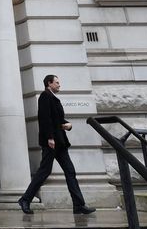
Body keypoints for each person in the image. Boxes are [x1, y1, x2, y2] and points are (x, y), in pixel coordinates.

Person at [18, 74, 96, 216]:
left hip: (60, 142)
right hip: (52, 143)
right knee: (44, 172)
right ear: (49, 83)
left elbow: (57, 119)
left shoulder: (53, 97)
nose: (59, 85)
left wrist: (68, 125)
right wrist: (49, 138)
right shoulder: (45, 96)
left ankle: (79, 205)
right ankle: (25, 199)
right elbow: (44, 118)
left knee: (70, 172)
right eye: (57, 82)